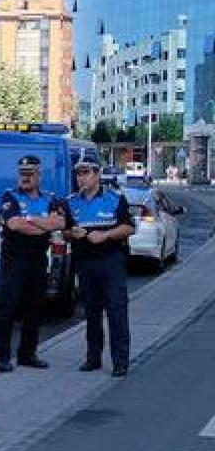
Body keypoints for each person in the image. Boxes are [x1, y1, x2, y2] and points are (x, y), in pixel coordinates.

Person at [0, 155, 66, 373]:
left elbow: (60, 223)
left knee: (35, 307)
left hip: (38, 258)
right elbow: (14, 225)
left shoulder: (50, 198)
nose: (25, 178)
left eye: (30, 174)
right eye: (22, 174)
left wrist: (31, 220)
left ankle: (27, 354)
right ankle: (2, 357)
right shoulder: (10, 196)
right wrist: (42, 224)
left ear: (38, 175)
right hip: (14, 258)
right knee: (7, 307)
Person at [64, 156, 136, 377]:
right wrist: (71, 233)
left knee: (116, 312)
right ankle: (93, 357)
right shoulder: (71, 202)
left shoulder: (115, 199)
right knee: (91, 313)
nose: (81, 178)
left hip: (110, 261)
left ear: (97, 175)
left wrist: (105, 235)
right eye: (78, 173)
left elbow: (129, 228)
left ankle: (121, 361)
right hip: (85, 263)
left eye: (86, 173)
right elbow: (64, 232)